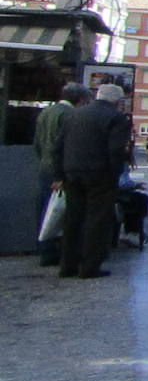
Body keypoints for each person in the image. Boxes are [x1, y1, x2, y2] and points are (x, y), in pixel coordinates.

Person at [52, 83, 131, 279]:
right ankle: (90, 267)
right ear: (117, 101)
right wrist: (116, 174)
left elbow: (58, 147)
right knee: (97, 220)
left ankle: (67, 265)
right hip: (100, 175)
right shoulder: (116, 118)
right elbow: (115, 150)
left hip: (72, 173)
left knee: (73, 219)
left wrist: (59, 175)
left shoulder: (73, 114)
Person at [34, 82, 91, 266]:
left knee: (47, 209)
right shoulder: (71, 115)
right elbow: (68, 145)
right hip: (63, 170)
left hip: (45, 167)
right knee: (65, 211)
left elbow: (37, 143)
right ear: (80, 100)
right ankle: (63, 251)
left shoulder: (46, 112)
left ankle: (45, 249)